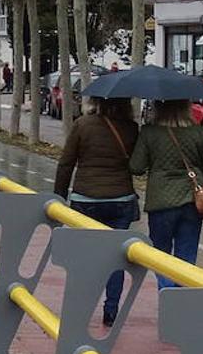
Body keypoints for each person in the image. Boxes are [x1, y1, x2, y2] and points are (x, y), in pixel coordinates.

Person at [54, 97, 140, 326]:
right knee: (116, 257)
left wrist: (59, 197)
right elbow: (137, 166)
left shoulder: (82, 124)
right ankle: (111, 310)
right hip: (121, 199)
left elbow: (66, 163)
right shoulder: (131, 128)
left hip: (86, 199)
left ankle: (80, 307)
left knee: (85, 256)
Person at [130, 98, 203, 289]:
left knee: (160, 258)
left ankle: (167, 296)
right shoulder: (198, 133)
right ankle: (181, 301)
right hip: (193, 201)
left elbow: (136, 167)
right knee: (186, 259)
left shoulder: (149, 132)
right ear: (186, 107)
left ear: (158, 107)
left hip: (161, 203)